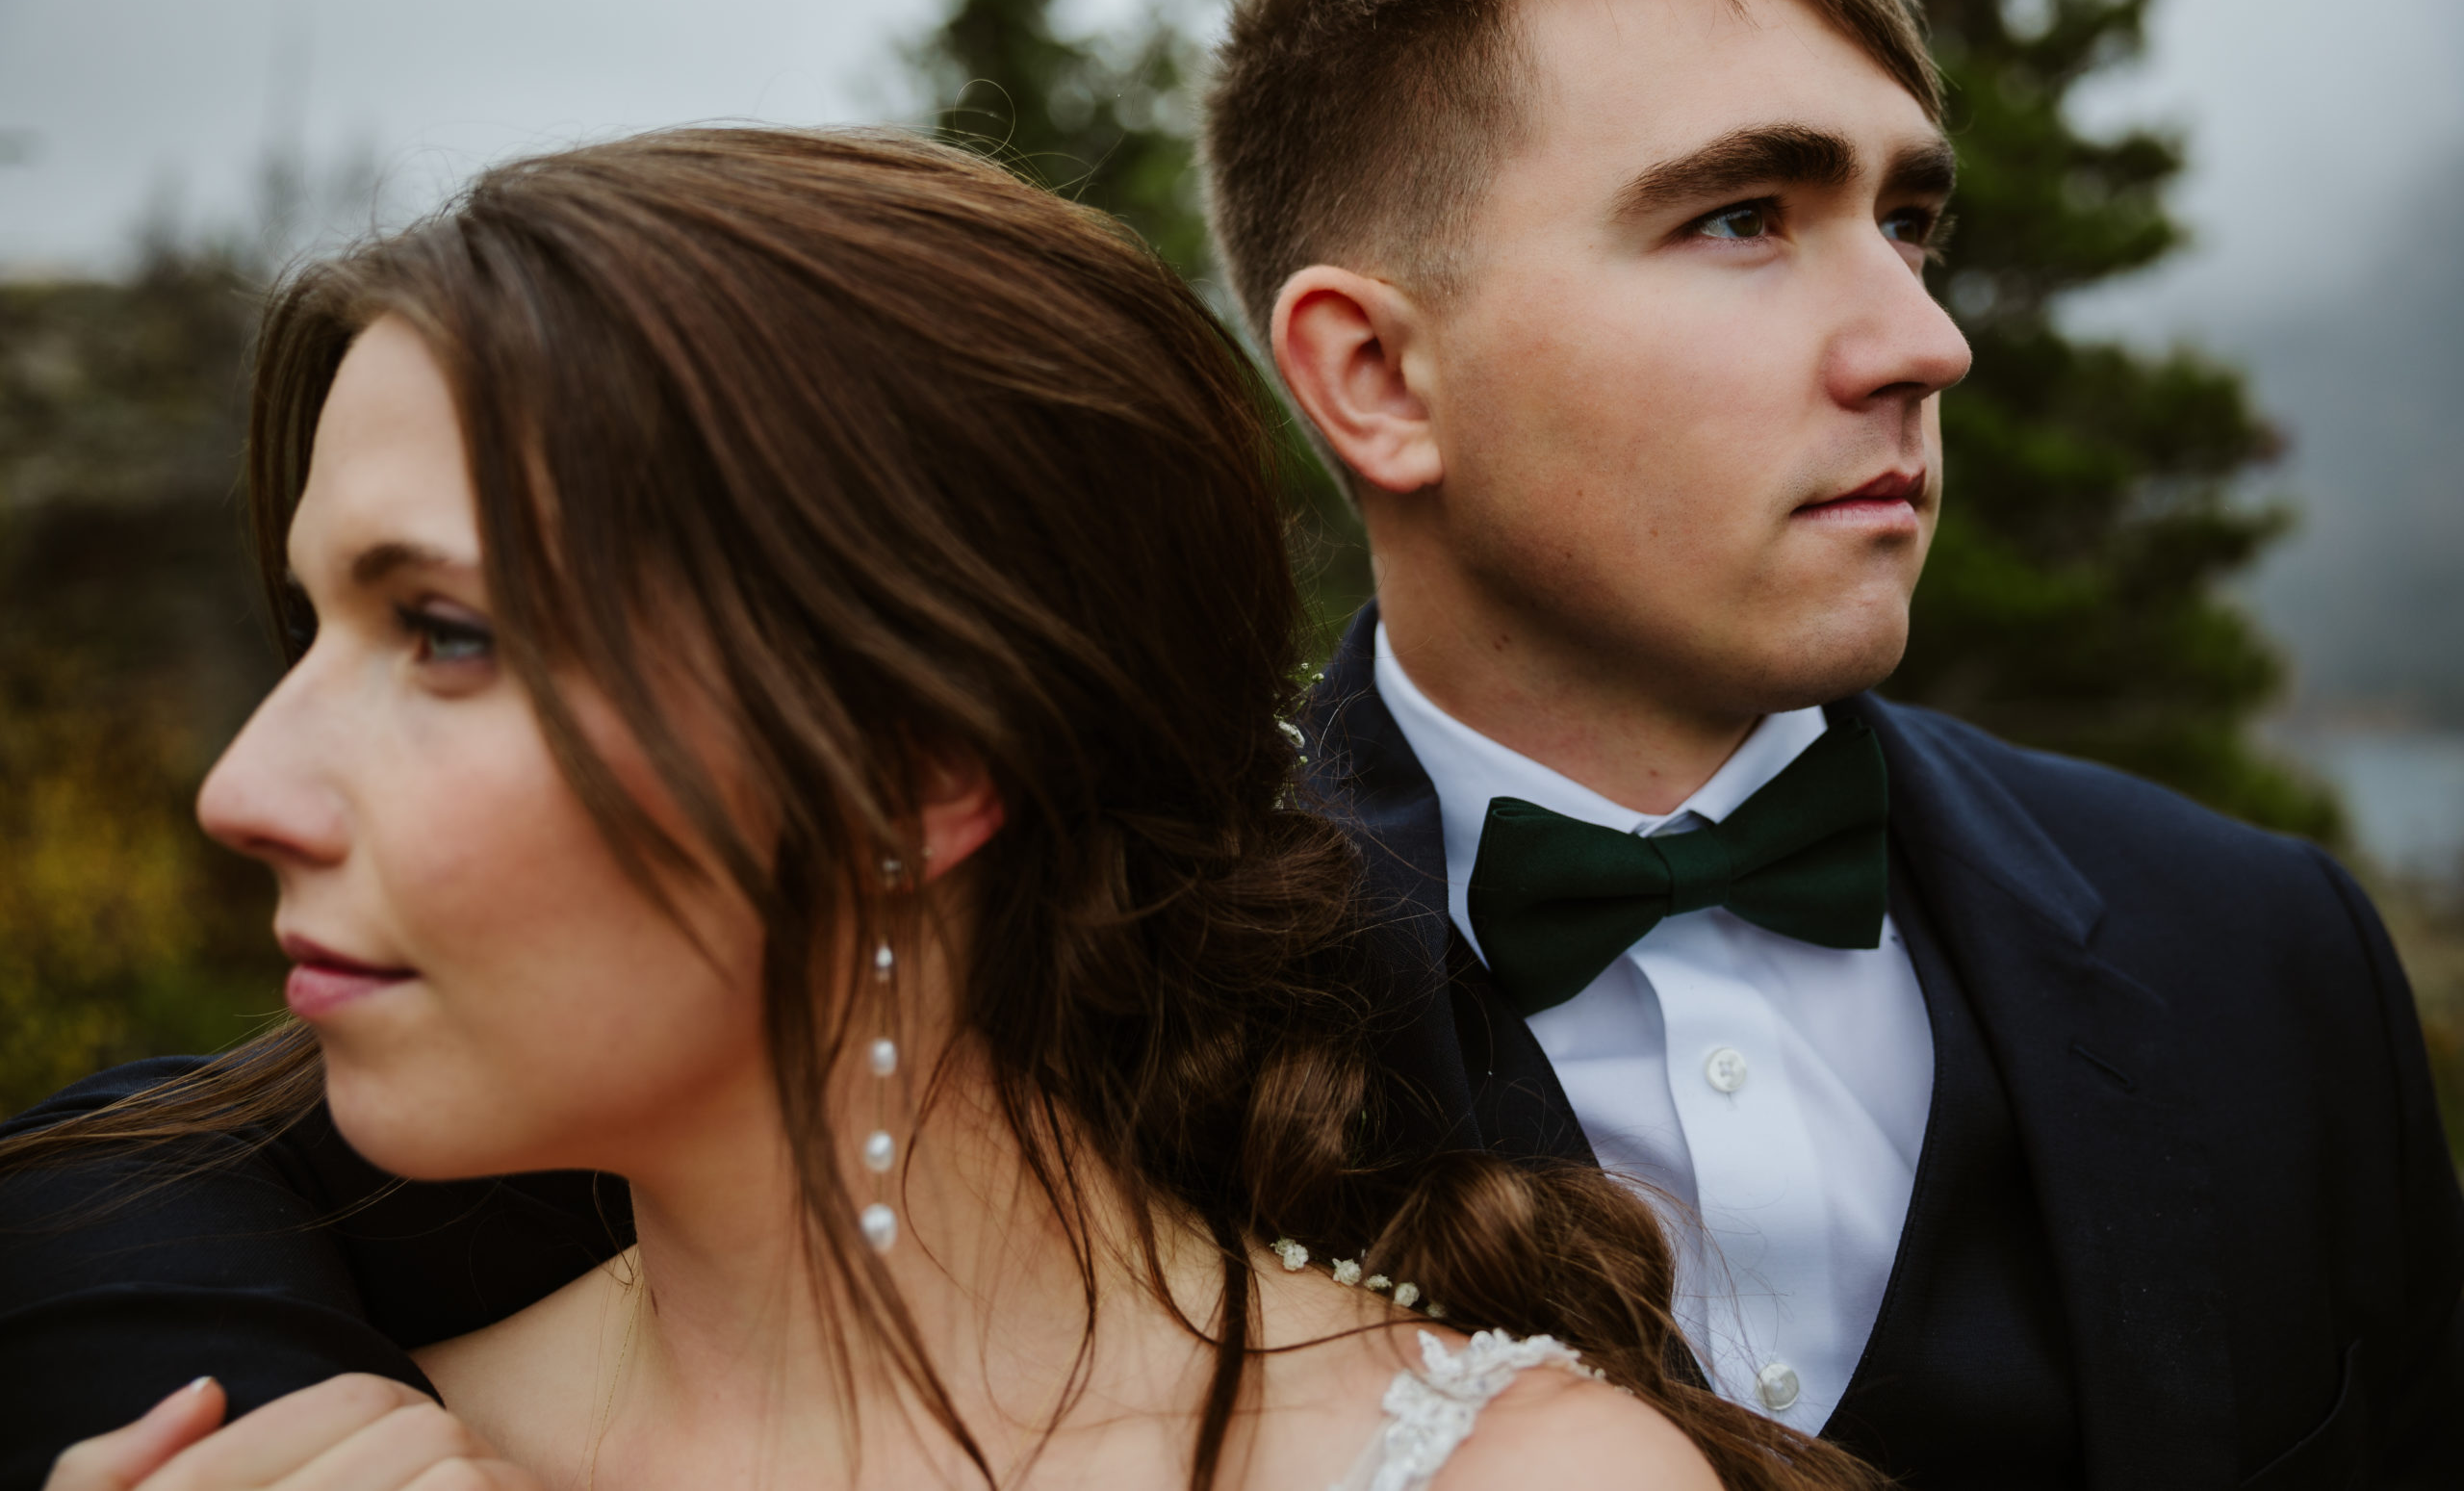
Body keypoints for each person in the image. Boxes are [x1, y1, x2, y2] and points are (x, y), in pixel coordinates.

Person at [5, 126, 1870, 1491]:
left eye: (447, 633)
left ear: (920, 769)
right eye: (310, 622)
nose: (239, 787)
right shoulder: (277, 1436)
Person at [1202, 0, 2464, 1486]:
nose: (1925, 344)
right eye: (1742, 217)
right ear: (1376, 375)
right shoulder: (1123, 996)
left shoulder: (2266, 951)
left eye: (1910, 222)